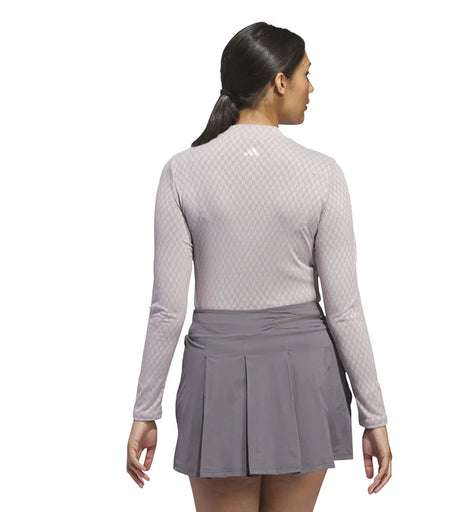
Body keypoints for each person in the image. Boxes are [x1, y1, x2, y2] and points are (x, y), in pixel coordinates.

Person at [126, 21, 392, 511]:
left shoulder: (181, 172)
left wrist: (146, 410)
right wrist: (373, 415)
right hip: (305, 375)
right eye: (307, 74)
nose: (313, 88)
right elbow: (345, 310)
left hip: (216, 377)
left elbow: (167, 310)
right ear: (280, 82)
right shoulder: (323, 174)